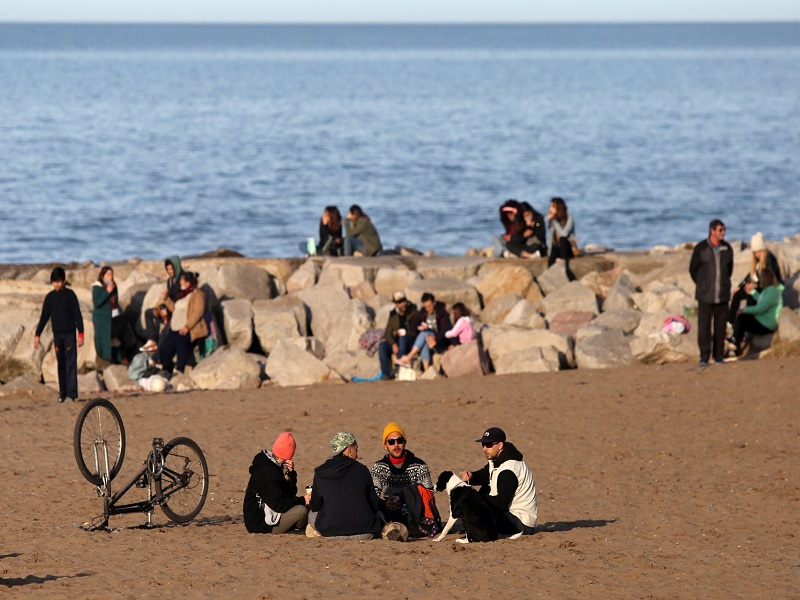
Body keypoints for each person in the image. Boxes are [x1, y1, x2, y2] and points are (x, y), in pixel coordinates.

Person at [460, 427, 538, 536]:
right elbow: (486, 474)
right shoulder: (499, 460)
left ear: (500, 445)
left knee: (479, 505)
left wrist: (476, 497)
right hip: (509, 514)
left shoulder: (509, 470)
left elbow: (501, 504)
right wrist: (472, 476)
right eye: (483, 445)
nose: (484, 449)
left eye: (489, 445)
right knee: (485, 489)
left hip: (521, 523)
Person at [306, 432, 382, 540]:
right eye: (356, 450)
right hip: (364, 531)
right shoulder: (362, 470)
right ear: (349, 449)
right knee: (379, 514)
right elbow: (375, 504)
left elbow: (315, 506)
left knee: (312, 514)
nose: (357, 455)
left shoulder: (321, 472)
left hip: (331, 533)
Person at [370, 422, 437, 535]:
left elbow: (429, 494)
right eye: (391, 442)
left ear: (404, 442)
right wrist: (385, 503)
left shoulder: (419, 465)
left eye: (399, 440)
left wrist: (405, 499)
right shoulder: (379, 467)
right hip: (389, 510)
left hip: (414, 511)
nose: (396, 445)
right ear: (385, 446)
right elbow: (373, 495)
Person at [243, 432, 311, 534]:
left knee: (305, 508)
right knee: (302, 511)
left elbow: (289, 495)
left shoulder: (273, 465)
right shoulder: (268, 472)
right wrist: (303, 500)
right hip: (260, 524)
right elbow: (280, 505)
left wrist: (291, 475)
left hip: (268, 515)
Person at [34, 267, 84, 403]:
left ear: (64, 281)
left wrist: (81, 333)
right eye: (54, 282)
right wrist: (37, 334)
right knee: (61, 364)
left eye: (59, 282)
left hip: (69, 335)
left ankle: (72, 395)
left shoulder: (70, 295)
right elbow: (44, 317)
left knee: (70, 364)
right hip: (57, 336)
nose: (56, 284)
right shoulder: (50, 297)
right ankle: (62, 394)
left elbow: (77, 314)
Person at [689, 219, 734, 366]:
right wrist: (702, 285)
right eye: (720, 230)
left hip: (722, 295)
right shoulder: (701, 248)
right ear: (712, 231)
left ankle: (718, 356)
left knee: (720, 327)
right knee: (704, 328)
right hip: (705, 296)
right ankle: (704, 357)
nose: (723, 232)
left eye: (724, 229)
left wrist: (724, 285)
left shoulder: (727, 248)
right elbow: (693, 269)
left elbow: (729, 270)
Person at [728, 232, 783, 325]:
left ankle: (749, 320)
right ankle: (731, 321)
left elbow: (770, 279)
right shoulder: (757, 261)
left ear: (763, 250)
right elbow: (750, 275)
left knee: (751, 294)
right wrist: (739, 286)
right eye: (755, 252)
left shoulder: (770, 260)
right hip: (759, 286)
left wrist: (755, 285)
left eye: (759, 251)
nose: (757, 254)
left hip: (769, 289)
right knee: (737, 293)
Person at [728, 267, 784, 357]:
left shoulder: (772, 291)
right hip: (763, 321)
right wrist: (752, 292)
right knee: (743, 317)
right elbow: (762, 300)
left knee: (742, 318)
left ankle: (735, 344)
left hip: (766, 325)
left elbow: (760, 308)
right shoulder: (769, 290)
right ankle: (735, 342)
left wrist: (744, 310)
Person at [160, 271, 208, 374]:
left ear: (188, 282)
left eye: (182, 280)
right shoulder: (182, 294)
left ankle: (179, 371)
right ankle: (167, 370)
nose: (180, 282)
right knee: (164, 349)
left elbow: (198, 312)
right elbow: (175, 309)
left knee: (181, 345)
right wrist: (166, 298)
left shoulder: (198, 295)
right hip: (174, 328)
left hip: (188, 329)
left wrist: (187, 326)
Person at [396, 292, 452, 372]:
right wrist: (418, 327)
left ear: (434, 302)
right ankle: (427, 370)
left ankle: (408, 357)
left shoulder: (442, 313)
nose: (428, 309)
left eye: (430, 306)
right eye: (426, 307)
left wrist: (435, 338)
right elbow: (413, 325)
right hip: (428, 340)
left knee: (425, 334)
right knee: (425, 337)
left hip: (439, 342)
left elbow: (446, 329)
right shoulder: (423, 312)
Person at [141, 256, 183, 352]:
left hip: (176, 314)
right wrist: (160, 308)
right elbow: (166, 298)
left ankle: (158, 353)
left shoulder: (182, 281)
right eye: (168, 269)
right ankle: (152, 340)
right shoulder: (170, 281)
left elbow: (179, 302)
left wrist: (167, 312)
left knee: (165, 333)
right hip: (167, 309)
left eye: (171, 269)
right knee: (149, 313)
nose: (169, 272)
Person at [377, 291, 419, 380]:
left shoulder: (413, 311)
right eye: (400, 302)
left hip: (410, 341)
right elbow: (388, 333)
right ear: (396, 304)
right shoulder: (393, 315)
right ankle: (385, 374)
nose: (403, 304)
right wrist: (393, 343)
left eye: (403, 301)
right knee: (382, 345)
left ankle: (399, 368)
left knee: (403, 338)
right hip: (397, 342)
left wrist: (405, 332)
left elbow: (415, 330)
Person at [92, 266, 129, 364]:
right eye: (108, 275)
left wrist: (113, 297)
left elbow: (116, 298)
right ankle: (108, 357)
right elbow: (97, 302)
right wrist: (107, 292)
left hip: (114, 314)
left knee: (117, 335)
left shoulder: (113, 285)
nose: (110, 277)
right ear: (103, 276)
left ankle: (119, 357)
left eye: (111, 274)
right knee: (106, 338)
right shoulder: (97, 287)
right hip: (102, 318)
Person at [547, 197, 578, 271]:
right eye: (550, 206)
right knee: (554, 248)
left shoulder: (569, 218)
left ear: (558, 208)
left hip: (568, 248)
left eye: (552, 207)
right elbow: (551, 237)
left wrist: (553, 221)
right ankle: (550, 271)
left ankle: (564, 265)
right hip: (557, 248)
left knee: (562, 239)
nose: (550, 209)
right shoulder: (553, 219)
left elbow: (564, 234)